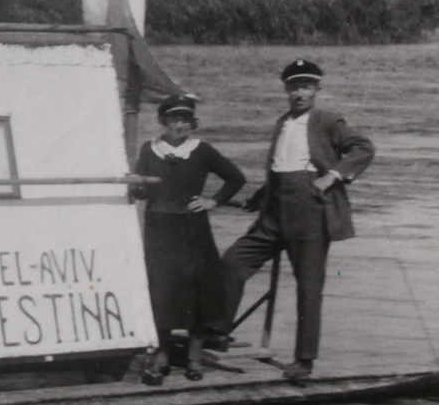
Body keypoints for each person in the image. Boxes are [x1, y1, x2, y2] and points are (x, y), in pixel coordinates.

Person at [221, 59, 374, 383]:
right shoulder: (283, 122)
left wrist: (332, 176)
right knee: (233, 261)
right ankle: (217, 332)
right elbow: (280, 167)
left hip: (311, 214)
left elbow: (363, 149)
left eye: (306, 86)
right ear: (286, 89)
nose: (299, 93)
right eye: (293, 86)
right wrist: (257, 199)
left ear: (317, 89)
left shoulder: (328, 119)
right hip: (275, 212)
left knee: (308, 287)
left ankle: (304, 360)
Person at [132, 95, 246, 384]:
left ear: (192, 124)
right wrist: (136, 189)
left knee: (198, 289)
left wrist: (213, 201)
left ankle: (194, 357)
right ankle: (162, 356)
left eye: (185, 120)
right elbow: (142, 190)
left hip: (192, 228)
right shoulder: (149, 150)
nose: (179, 125)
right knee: (161, 289)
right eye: (174, 119)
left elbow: (236, 178)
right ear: (162, 122)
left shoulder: (202, 150)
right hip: (158, 228)